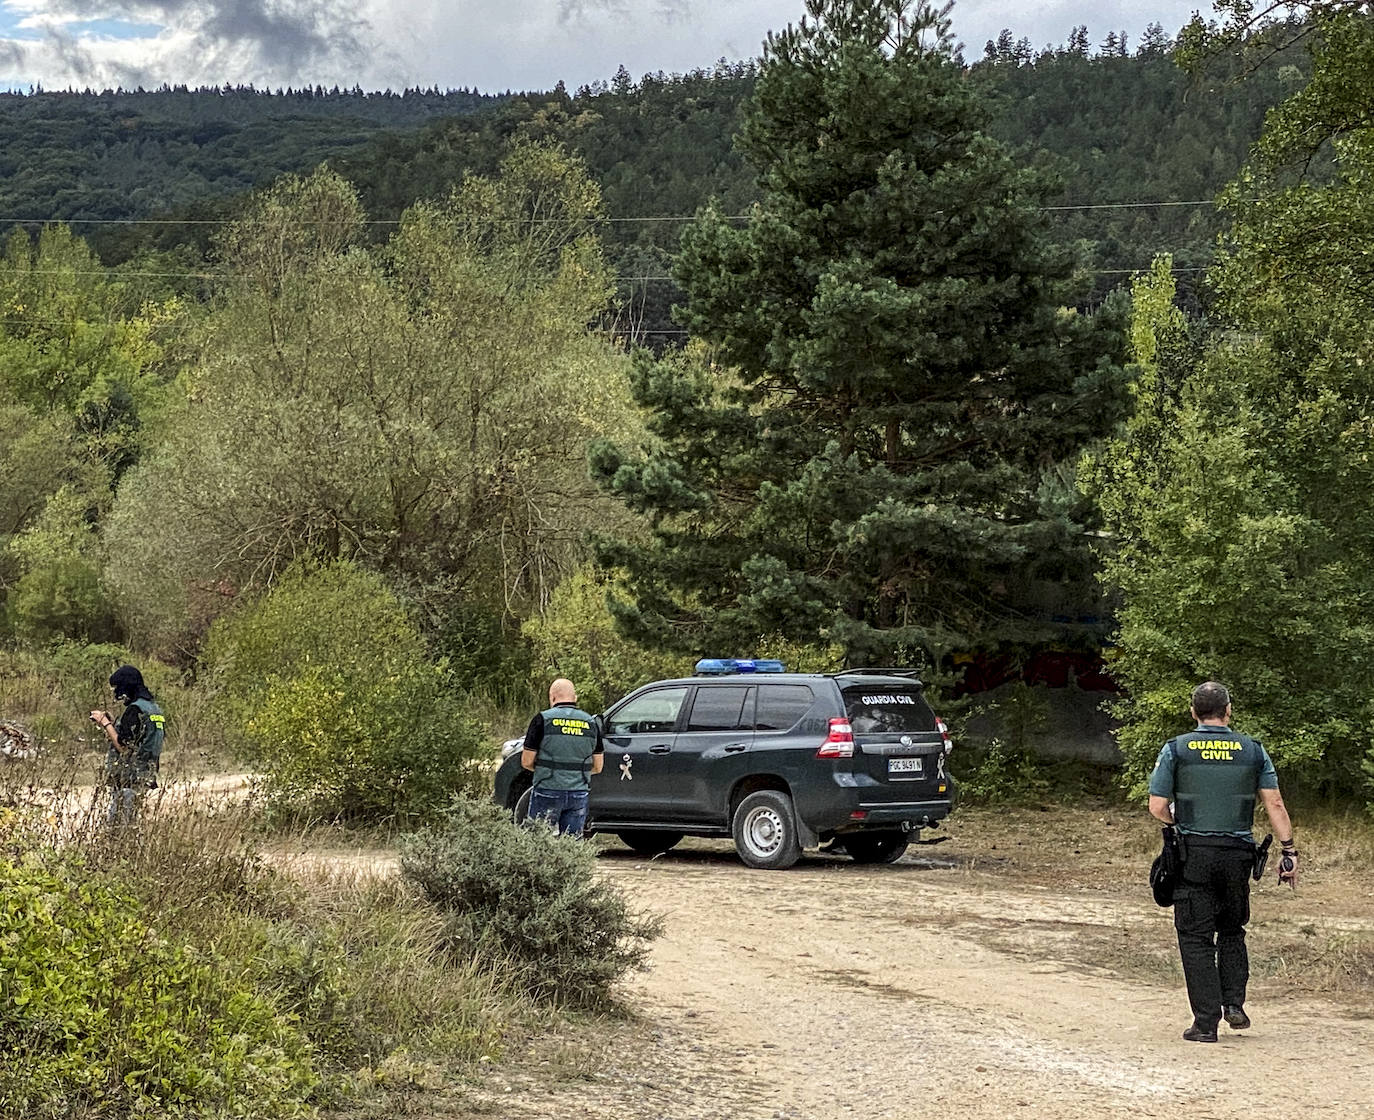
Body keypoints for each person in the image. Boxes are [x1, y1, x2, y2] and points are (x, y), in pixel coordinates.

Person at [1147, 680, 1298, 1043]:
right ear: (1228, 711)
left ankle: (1205, 1024)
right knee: (1232, 930)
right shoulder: (1252, 750)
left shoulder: (1177, 749)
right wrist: (1289, 851)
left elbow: (1157, 807)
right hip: (1237, 857)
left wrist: (1180, 824)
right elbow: (1274, 804)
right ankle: (1234, 1004)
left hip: (1193, 854)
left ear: (1193, 712)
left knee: (1196, 937)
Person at [521, 678, 604, 837]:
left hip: (547, 789)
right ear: (575, 698)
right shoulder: (591, 723)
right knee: (571, 846)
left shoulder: (542, 719)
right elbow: (598, 766)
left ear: (552, 698)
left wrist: (547, 771)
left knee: (538, 842)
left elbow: (526, 761)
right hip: (578, 792)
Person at [90, 664, 165, 824]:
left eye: (117, 687)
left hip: (129, 778)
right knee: (132, 823)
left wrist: (104, 723)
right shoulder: (154, 709)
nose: (117, 693)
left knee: (118, 826)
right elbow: (141, 738)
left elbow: (124, 748)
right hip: (145, 774)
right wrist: (113, 725)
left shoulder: (135, 709)